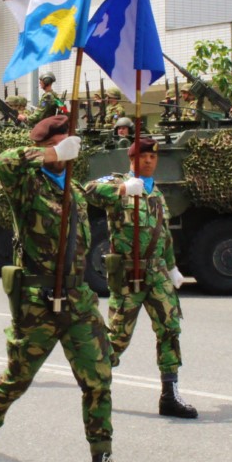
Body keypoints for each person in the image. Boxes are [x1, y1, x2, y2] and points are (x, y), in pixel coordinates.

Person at [0, 115, 133, 462]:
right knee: (17, 379)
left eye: (69, 142)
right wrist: (50, 153)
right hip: (38, 303)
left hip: (78, 301)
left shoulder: (73, 189)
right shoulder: (26, 184)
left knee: (98, 381)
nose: (65, 150)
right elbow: (4, 160)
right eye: (58, 143)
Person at [84, 137, 196, 419]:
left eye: (153, 158)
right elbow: (88, 190)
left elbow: (163, 234)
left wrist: (172, 267)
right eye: (143, 157)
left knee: (170, 329)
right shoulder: (118, 182)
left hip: (157, 273)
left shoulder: (156, 193)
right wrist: (122, 189)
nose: (149, 161)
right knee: (119, 336)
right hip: (129, 273)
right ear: (131, 160)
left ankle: (169, 394)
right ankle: (96, 386)